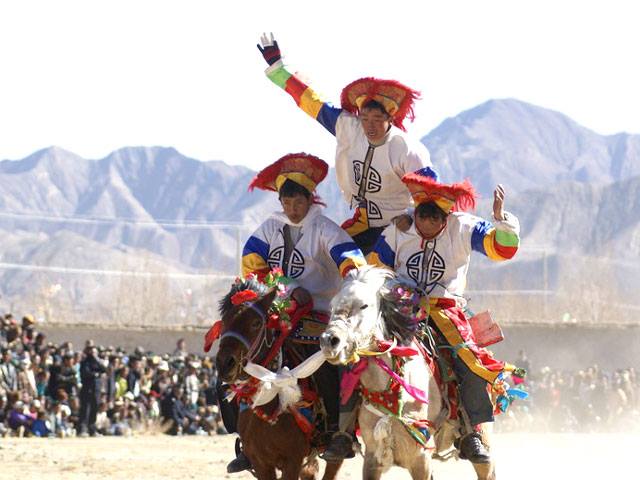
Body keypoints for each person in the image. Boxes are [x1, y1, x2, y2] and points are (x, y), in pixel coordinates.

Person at [221, 152, 366, 472]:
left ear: (309, 199)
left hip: (317, 314)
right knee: (233, 356)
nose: (292, 208)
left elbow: (351, 259)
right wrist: (276, 287)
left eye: (297, 201)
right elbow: (251, 262)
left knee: (328, 365)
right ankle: (243, 440)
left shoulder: (325, 229)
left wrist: (351, 281)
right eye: (286, 201)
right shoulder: (270, 227)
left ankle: (334, 434)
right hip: (274, 312)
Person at [368, 167, 521, 464]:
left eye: (434, 219)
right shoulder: (398, 230)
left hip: (445, 310)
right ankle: (344, 430)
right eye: (421, 218)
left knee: (470, 361)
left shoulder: (464, 227)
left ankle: (470, 431)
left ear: (445, 218)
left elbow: (502, 249)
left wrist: (501, 220)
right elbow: (375, 267)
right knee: (360, 351)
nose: (426, 224)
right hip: (399, 309)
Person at [258, 33, 434, 254]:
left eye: (377, 120)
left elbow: (432, 195)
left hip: (401, 226)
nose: (369, 126)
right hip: (363, 223)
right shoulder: (348, 127)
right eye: (365, 119)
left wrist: (410, 219)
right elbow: (312, 101)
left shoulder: (408, 149)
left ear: (390, 119)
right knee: (328, 256)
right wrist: (279, 69)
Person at [78, 346, 106, 436]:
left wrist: (97, 360)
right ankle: (82, 429)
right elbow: (86, 373)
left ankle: (92, 429)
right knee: (85, 410)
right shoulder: (85, 362)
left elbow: (104, 369)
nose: (93, 354)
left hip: (96, 390)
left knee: (94, 409)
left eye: (95, 352)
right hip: (87, 389)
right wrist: (95, 374)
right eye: (92, 352)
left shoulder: (97, 362)